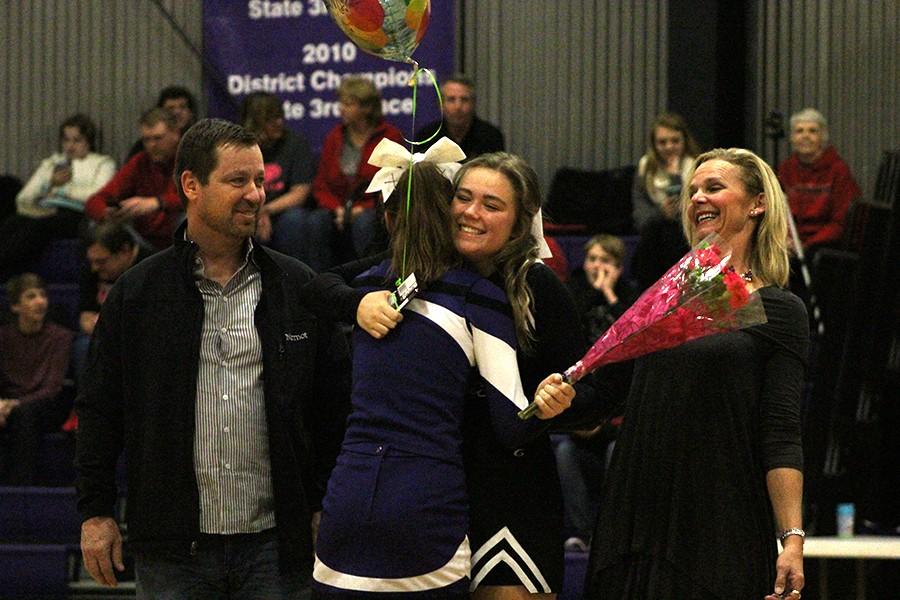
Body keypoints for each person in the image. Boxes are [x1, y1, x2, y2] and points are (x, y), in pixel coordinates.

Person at [305, 152, 601, 599]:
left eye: (492, 205)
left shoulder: (538, 287)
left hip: (507, 497)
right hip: (431, 492)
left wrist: (562, 404)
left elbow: (593, 390)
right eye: (463, 198)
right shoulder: (410, 274)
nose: (471, 213)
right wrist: (357, 305)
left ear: (521, 224)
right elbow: (319, 285)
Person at [75, 118, 350, 597]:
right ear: (191, 186)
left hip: (276, 547)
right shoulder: (137, 294)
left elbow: (335, 408)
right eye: (237, 180)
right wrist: (96, 511)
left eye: (260, 181)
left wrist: (325, 501)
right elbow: (100, 409)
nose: (255, 194)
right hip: (173, 552)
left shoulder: (298, 286)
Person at [586, 148, 809, 600]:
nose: (698, 198)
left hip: (720, 518)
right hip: (637, 512)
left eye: (713, 187)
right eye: (692, 191)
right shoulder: (663, 299)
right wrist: (560, 395)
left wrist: (792, 539)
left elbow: (781, 431)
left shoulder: (779, 311)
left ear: (757, 203)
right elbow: (609, 392)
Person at [555, 234, 638, 550]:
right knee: (564, 453)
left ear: (618, 267)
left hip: (617, 414)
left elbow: (633, 338)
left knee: (617, 452)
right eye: (592, 259)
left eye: (605, 261)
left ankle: (614, 531)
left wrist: (608, 294)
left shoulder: (629, 295)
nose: (597, 267)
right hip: (581, 409)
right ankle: (581, 533)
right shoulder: (572, 294)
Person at [0, 114, 115, 281]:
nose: (70, 146)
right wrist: (49, 183)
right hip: (44, 209)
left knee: (39, 227)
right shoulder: (52, 163)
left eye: (77, 140)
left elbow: (98, 195)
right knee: (13, 223)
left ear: (88, 142)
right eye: (66, 140)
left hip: (77, 213)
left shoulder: (102, 163)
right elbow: (23, 198)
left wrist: (63, 192)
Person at [312, 76, 403, 262]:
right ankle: (320, 281)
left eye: (348, 104)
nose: (341, 109)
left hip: (372, 209)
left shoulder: (389, 137)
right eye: (341, 103)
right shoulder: (335, 137)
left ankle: (369, 277)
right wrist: (337, 209)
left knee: (365, 223)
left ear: (367, 108)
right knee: (314, 222)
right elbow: (321, 184)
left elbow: (394, 184)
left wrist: (362, 208)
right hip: (337, 207)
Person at [240, 92, 331, 270]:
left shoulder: (295, 144)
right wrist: (256, 212)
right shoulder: (239, 148)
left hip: (282, 210)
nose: (279, 123)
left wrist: (265, 210)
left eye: (280, 117)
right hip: (249, 207)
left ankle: (297, 282)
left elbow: (300, 193)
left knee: (294, 220)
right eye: (271, 119)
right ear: (255, 122)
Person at [0, 273, 74, 485]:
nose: (40, 301)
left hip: (45, 405)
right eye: (31, 296)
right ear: (15, 306)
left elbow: (52, 388)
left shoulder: (60, 337)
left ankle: (19, 487)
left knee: (26, 415)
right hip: (9, 404)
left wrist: (13, 405)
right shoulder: (4, 337)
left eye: (42, 295)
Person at [84, 108, 183, 250]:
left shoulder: (190, 158)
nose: (152, 145)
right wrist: (107, 214)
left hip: (176, 239)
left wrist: (158, 202)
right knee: (94, 224)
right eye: (146, 140)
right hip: (143, 241)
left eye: (158, 138)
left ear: (176, 134)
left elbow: (203, 198)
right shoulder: (140, 162)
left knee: (188, 218)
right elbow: (95, 201)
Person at [72, 223, 153, 382]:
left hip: (142, 338)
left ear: (124, 251)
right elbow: (86, 314)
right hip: (105, 335)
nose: (95, 268)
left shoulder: (154, 269)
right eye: (92, 261)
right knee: (84, 346)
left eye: (101, 261)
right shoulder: (92, 268)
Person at [630, 113, 700, 292]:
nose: (669, 147)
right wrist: (661, 213)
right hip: (653, 241)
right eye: (662, 142)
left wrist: (676, 176)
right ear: (654, 145)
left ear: (684, 141)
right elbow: (640, 214)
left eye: (675, 141)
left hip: (687, 239)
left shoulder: (696, 166)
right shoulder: (646, 167)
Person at [778, 108, 861, 254]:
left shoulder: (838, 169)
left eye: (812, 131)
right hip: (790, 245)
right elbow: (778, 213)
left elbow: (841, 222)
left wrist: (808, 245)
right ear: (792, 138)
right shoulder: (786, 169)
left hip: (823, 247)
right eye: (799, 131)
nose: (805, 136)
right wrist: (786, 239)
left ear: (823, 137)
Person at [414, 74, 505, 159]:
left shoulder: (491, 137)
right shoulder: (427, 136)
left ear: (473, 103)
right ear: (441, 104)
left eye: (464, 100)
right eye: (451, 99)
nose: (458, 106)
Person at [125, 85, 198, 160]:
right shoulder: (143, 147)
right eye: (170, 108)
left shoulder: (200, 143)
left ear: (191, 112)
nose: (177, 112)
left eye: (182, 107)